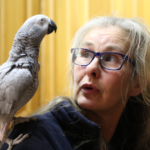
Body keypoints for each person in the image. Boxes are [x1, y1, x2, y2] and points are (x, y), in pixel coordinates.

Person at [1, 16, 150, 150]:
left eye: (110, 58)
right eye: (85, 54)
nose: (91, 68)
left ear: (138, 83)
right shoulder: (34, 140)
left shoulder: (138, 139)